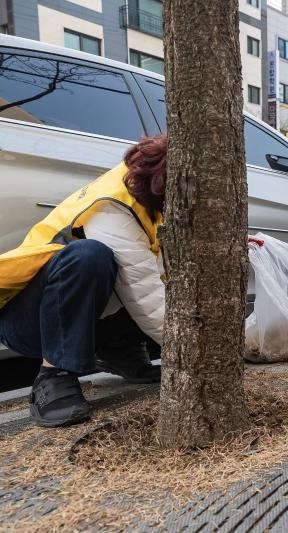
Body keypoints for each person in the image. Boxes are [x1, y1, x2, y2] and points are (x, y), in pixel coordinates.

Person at [0, 135, 166, 427]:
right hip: (26, 323)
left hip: (86, 317)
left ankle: (119, 351)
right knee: (90, 256)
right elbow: (147, 297)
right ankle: (54, 375)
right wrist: (214, 353)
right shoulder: (113, 206)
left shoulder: (149, 195)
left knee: (153, 269)